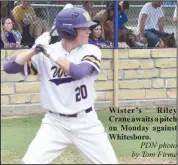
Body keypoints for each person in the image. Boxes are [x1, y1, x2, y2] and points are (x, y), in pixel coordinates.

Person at [3, 4, 119, 164]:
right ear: (70, 31)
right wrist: (34, 50)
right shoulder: (43, 53)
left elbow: (78, 72)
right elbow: (8, 67)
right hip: (55, 124)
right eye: (84, 28)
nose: (89, 31)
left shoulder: (91, 50)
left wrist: (49, 52)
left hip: (86, 122)